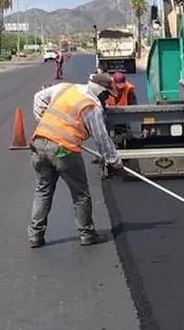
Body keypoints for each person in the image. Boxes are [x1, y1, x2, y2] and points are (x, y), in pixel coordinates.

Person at [26, 72, 123, 248]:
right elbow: (101, 138)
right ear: (100, 89)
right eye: (106, 94)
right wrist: (114, 161)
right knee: (80, 194)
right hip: (64, 151)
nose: (106, 98)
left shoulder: (66, 88)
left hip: (39, 143)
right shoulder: (91, 106)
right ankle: (87, 234)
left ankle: (35, 235)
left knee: (43, 191)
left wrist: (42, 120)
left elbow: (39, 97)